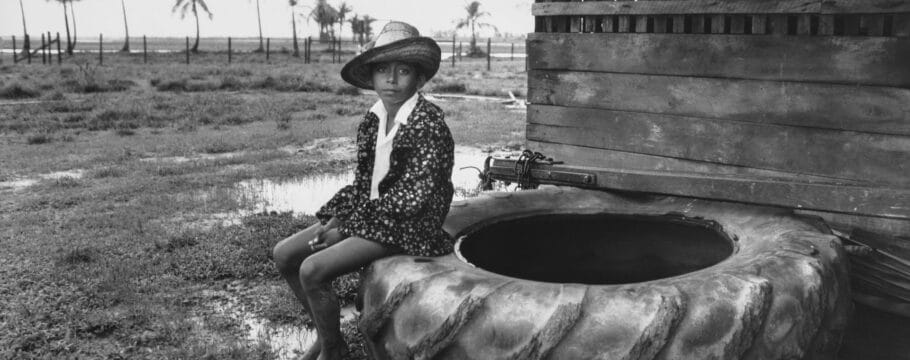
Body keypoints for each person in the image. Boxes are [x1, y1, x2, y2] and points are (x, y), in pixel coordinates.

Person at [272, 21, 454, 360]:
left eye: (403, 70)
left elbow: (410, 200)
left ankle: (333, 353)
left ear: (420, 79)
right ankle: (329, 339)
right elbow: (363, 184)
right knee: (285, 253)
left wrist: (347, 230)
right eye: (382, 70)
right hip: (374, 215)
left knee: (312, 269)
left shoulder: (428, 125)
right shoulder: (372, 121)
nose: (392, 79)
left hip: (411, 225)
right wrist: (338, 217)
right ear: (371, 77)